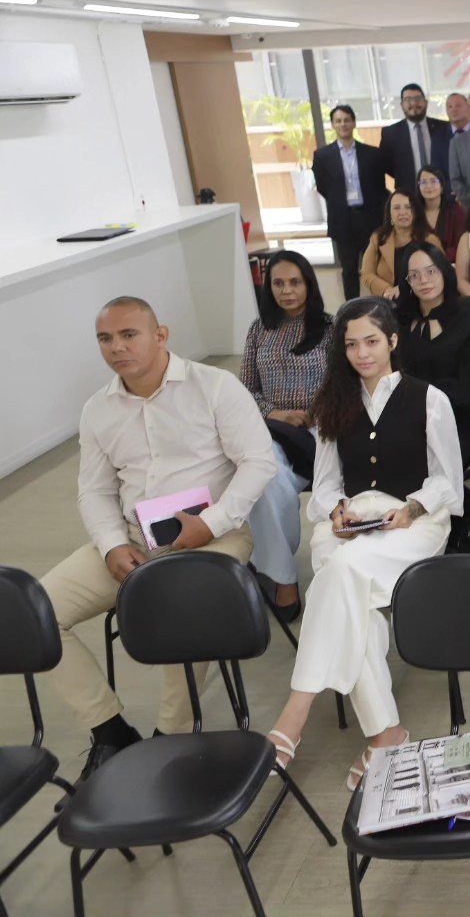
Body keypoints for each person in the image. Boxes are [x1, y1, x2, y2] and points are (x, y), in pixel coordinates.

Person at [42, 297, 275, 779]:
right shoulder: (98, 409)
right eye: (105, 338)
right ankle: (110, 731)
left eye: (129, 334)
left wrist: (213, 522)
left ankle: (172, 736)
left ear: (160, 335)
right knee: (36, 613)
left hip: (214, 536)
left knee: (181, 603)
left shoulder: (214, 386)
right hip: (134, 539)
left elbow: (258, 462)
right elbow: (94, 490)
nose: (116, 347)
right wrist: (111, 544)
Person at [264, 297, 463, 788]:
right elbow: (325, 482)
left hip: (413, 525)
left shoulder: (429, 398)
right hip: (352, 523)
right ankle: (385, 732)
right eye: (351, 345)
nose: (362, 353)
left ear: (392, 341)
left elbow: (447, 481)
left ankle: (295, 712)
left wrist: (410, 509)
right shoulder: (334, 400)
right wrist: (336, 510)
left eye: (371, 341)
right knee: (357, 602)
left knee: (342, 573)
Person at [242, 251, 333, 622]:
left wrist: (313, 414)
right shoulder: (259, 329)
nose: (287, 290)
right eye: (278, 283)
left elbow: (344, 385)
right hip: (270, 428)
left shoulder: (329, 327)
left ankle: (275, 571)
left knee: (271, 475)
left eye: (295, 282)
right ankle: (283, 575)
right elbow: (245, 390)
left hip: (321, 429)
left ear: (309, 284)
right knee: (266, 476)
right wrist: (274, 413)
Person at [395, 243, 470, 468]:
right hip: (404, 422)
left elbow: (467, 391)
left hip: (453, 424)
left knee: (417, 465)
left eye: (431, 271)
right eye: (414, 275)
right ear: (407, 282)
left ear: (445, 272)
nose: (424, 280)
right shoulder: (398, 321)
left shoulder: (469, 317)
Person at [313, 104, 385, 299]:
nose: (343, 124)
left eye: (347, 120)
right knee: (349, 269)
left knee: (376, 266)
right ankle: (351, 309)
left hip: (369, 218)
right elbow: (323, 187)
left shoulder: (371, 153)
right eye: (338, 121)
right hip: (343, 219)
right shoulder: (322, 156)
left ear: (353, 123)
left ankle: (381, 306)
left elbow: (379, 187)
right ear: (333, 125)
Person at [360, 189, 444, 300]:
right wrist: (387, 290)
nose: (402, 212)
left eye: (408, 207)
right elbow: (367, 274)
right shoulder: (378, 238)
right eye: (397, 208)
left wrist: (404, 289)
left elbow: (442, 272)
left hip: (422, 301)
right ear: (389, 213)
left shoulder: (430, 240)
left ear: (416, 212)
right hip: (388, 301)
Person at [378, 83, 450, 196]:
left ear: (426, 102)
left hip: (442, 194)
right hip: (408, 194)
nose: (413, 103)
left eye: (418, 98)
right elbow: (386, 164)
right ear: (402, 105)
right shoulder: (390, 133)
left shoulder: (444, 127)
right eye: (408, 100)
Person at [416, 164, 467, 262]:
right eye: (423, 182)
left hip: (452, 265)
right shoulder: (414, 213)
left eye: (433, 181)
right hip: (421, 265)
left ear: (442, 186)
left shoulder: (456, 211)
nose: (428, 186)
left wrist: (440, 258)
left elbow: (462, 245)